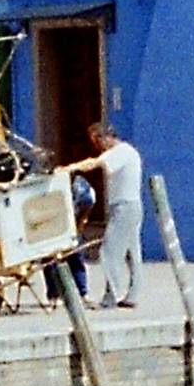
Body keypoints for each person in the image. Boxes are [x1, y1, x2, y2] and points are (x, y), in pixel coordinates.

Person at [62, 120, 146, 308]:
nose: (96, 146)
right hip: (131, 205)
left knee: (110, 251)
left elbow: (95, 163)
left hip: (124, 207)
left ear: (105, 137)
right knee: (133, 252)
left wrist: (70, 168)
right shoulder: (129, 152)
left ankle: (111, 297)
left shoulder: (120, 152)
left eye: (97, 141)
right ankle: (133, 295)